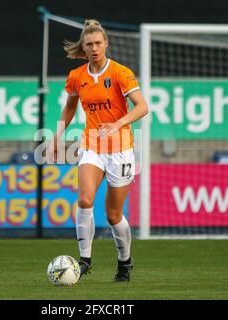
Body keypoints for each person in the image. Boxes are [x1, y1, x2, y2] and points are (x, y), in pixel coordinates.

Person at [49, 20, 149, 281]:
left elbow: (141, 107)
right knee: (84, 200)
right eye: (89, 44)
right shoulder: (77, 76)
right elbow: (70, 106)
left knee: (114, 215)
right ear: (83, 47)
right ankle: (84, 261)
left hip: (120, 149)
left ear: (106, 44)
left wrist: (117, 123)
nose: (94, 48)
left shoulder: (120, 73)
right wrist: (57, 136)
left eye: (98, 43)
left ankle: (125, 263)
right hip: (91, 144)